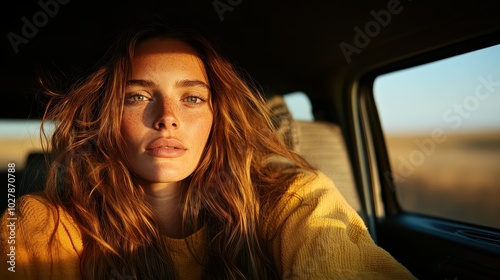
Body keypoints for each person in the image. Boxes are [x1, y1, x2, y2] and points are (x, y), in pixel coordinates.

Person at [0, 16, 416, 280]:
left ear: (219, 116)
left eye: (193, 98)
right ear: (104, 116)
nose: (167, 117)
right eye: (138, 97)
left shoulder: (291, 201)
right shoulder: (42, 225)